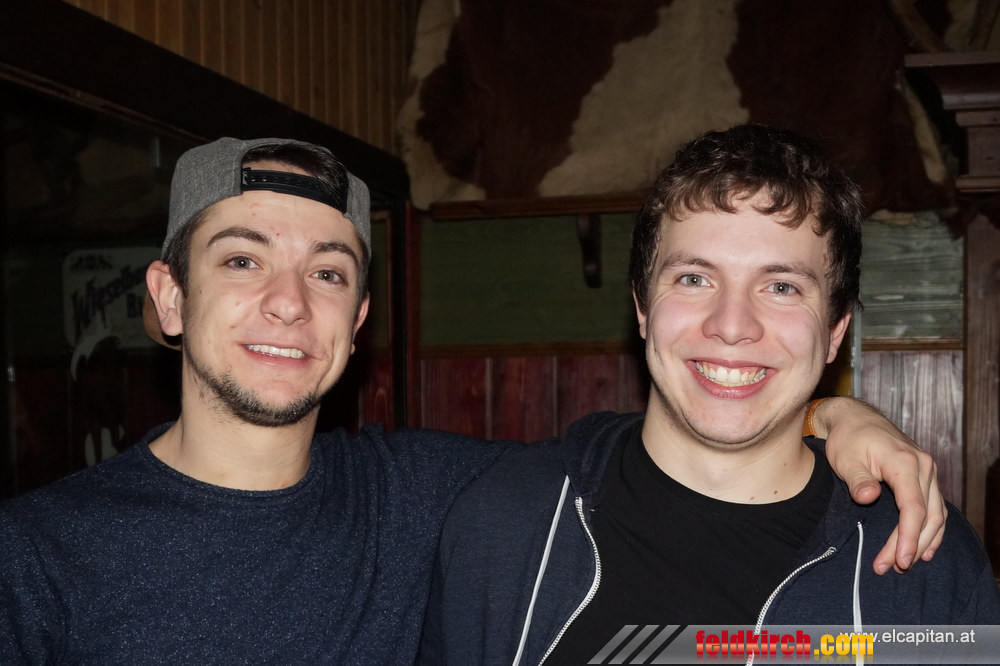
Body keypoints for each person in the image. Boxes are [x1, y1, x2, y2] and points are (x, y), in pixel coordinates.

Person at [0, 136, 948, 664]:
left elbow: (690, 436)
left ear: (358, 318)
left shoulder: (429, 495)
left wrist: (833, 415)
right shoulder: (36, 554)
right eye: (242, 261)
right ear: (169, 298)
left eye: (327, 272)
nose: (289, 303)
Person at [418, 125, 1000, 665]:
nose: (731, 324)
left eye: (781, 286)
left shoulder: (926, 562)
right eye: (694, 278)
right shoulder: (502, 518)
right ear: (642, 308)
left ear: (834, 333)